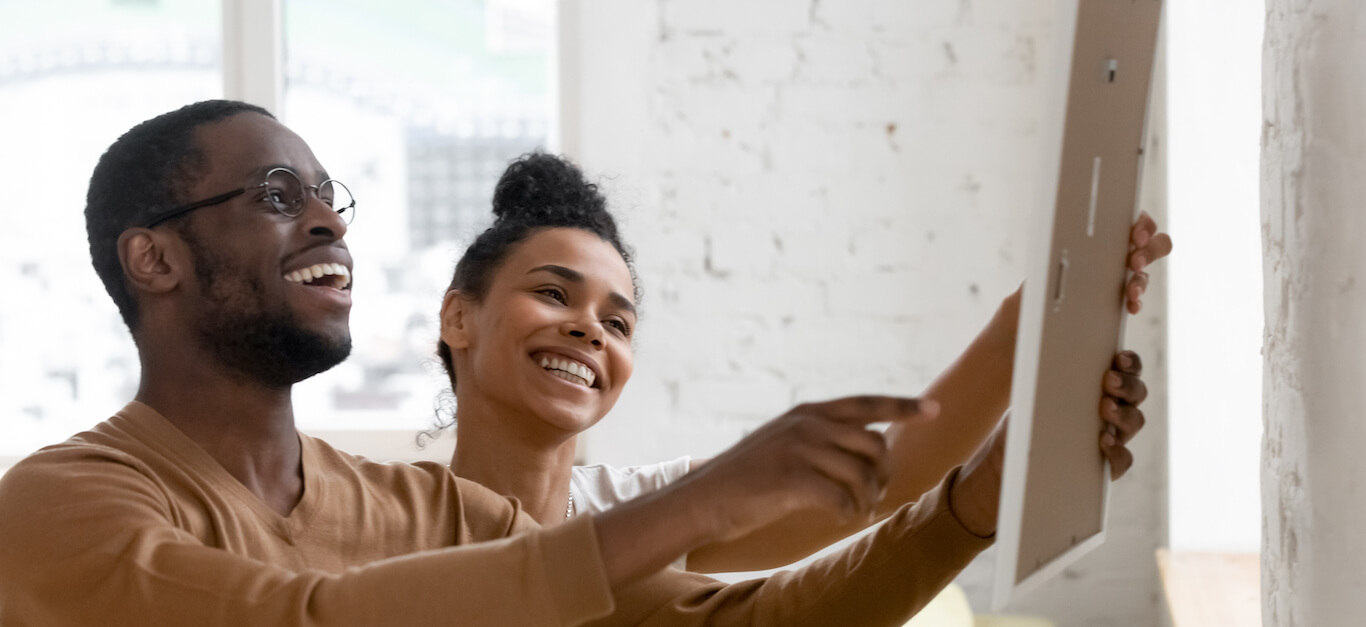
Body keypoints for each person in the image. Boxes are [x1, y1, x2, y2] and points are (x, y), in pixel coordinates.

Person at [0, 100, 1115, 626]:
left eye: (331, 200)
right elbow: (302, 619)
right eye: (277, 198)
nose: (330, 225)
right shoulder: (62, 505)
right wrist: (704, 500)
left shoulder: (432, 513)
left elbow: (730, 624)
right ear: (152, 257)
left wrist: (977, 500)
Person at [441, 153, 1170, 573]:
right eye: (552, 292)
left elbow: (880, 476)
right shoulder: (370, 516)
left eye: (618, 321)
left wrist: (1033, 321)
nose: (590, 330)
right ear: (458, 316)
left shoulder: (645, 514)